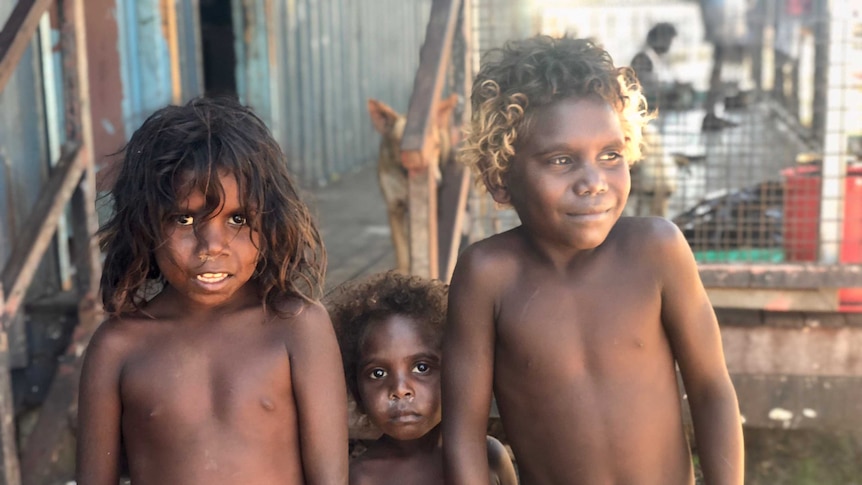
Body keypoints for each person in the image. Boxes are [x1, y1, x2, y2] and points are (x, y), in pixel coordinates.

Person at [443, 35, 743, 485]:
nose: (593, 183)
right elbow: (464, 435)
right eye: (562, 160)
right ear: (500, 179)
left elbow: (712, 388)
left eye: (610, 156)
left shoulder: (657, 250)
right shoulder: (487, 275)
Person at [76, 97, 348, 485]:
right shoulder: (117, 346)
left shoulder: (297, 327)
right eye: (184, 219)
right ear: (144, 226)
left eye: (238, 219)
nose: (212, 246)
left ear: (270, 222)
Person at [329, 271, 518, 485]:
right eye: (378, 373)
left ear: (454, 372)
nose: (400, 389)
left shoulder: (489, 457)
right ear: (357, 390)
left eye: (421, 367)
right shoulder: (360, 477)